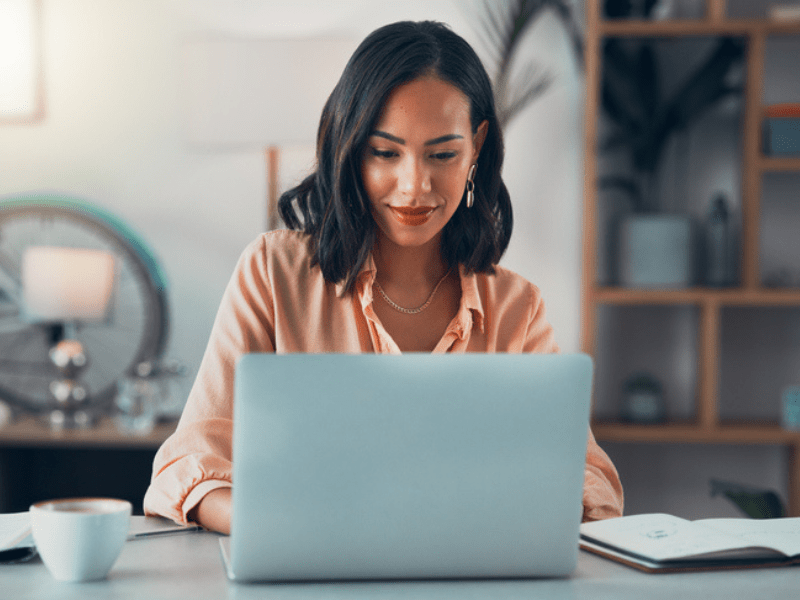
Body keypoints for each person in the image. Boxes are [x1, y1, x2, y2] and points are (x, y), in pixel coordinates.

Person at [143, 20, 623, 534]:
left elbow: (587, 479)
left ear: (477, 148)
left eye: (443, 154)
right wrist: (277, 526)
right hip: (307, 568)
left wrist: (511, 511)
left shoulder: (515, 308)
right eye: (385, 152)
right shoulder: (272, 273)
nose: (414, 186)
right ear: (350, 149)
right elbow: (187, 466)